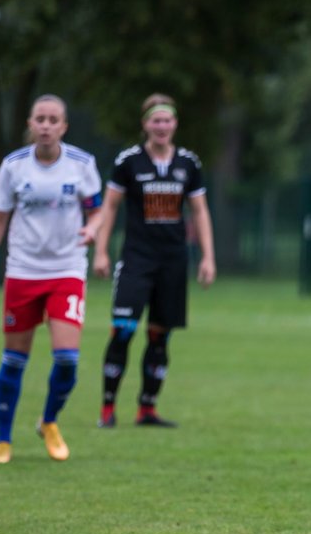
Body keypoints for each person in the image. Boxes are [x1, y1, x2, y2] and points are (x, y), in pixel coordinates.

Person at [87, 93, 217, 428]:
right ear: (145, 124)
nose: (161, 126)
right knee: (123, 331)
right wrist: (101, 251)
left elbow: (200, 211)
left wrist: (208, 257)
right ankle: (107, 408)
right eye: (155, 120)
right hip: (136, 259)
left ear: (175, 124)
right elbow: (110, 207)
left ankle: (147, 408)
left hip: (172, 261)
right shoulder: (129, 161)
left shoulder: (188, 163)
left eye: (167, 120)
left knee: (160, 336)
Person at [0, 95, 103, 463]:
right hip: (23, 270)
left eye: (53, 119)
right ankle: (4, 440)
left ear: (64, 127)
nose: (45, 125)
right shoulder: (12, 167)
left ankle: (49, 421)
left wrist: (92, 229)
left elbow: (97, 211)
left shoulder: (82, 164)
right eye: (39, 118)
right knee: (13, 360)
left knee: (68, 358)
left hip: (67, 270)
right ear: (30, 123)